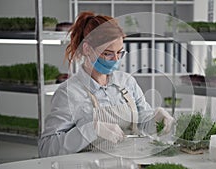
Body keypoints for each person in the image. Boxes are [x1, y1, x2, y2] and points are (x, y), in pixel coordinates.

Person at [38, 11, 174, 157]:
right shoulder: (69, 93)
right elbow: (47, 148)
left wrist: (155, 120)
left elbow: (143, 124)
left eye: (120, 53)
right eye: (108, 53)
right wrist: (91, 130)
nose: (115, 59)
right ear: (87, 49)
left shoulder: (127, 82)